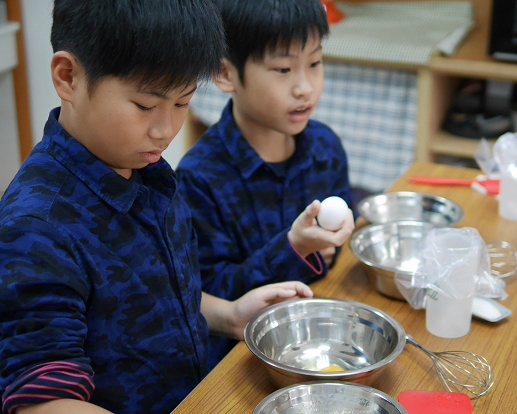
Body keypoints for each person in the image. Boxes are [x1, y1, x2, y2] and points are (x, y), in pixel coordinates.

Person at [0, 1, 313, 413]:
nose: (165, 130)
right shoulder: (35, 226)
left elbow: (154, 293)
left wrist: (229, 315)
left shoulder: (147, 171)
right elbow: (44, 400)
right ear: (69, 77)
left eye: (181, 103)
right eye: (146, 106)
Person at [177, 0, 355, 369]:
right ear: (226, 74)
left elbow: (338, 254)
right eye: (283, 69)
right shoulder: (201, 175)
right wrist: (293, 249)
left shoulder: (325, 149)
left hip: (321, 340)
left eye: (315, 63)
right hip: (240, 359)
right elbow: (207, 293)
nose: (304, 87)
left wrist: (332, 246)